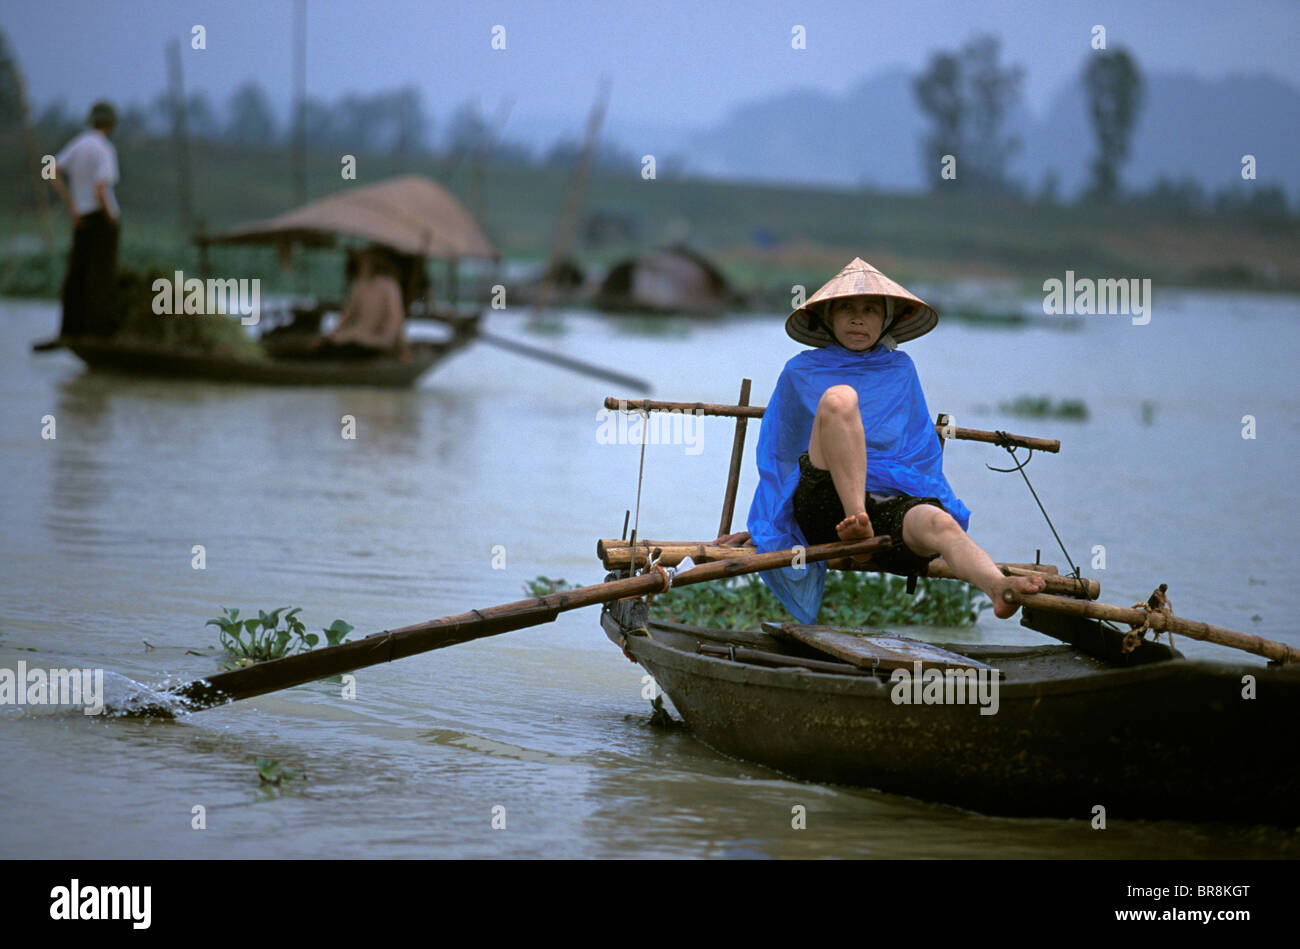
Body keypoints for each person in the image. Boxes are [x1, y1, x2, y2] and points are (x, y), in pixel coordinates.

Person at [747, 257, 1045, 624]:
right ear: (827, 318)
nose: (859, 319)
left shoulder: (900, 369)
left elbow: (916, 449)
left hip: (888, 502)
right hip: (822, 503)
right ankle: (857, 522)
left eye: (870, 309)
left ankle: (998, 588)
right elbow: (780, 454)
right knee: (840, 398)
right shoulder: (800, 371)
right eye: (847, 309)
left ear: (887, 319)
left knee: (939, 524)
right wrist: (766, 524)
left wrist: (923, 503)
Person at [47, 101, 121, 340]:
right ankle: (98, 330)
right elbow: (101, 187)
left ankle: (70, 327)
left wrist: (72, 207)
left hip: (82, 217)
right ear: (110, 124)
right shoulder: (104, 148)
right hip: (100, 218)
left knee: (78, 270)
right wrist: (111, 218)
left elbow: (51, 170)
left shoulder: (78, 144)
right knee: (101, 274)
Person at [314, 249, 410, 359]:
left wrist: (402, 348)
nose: (362, 266)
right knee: (328, 346)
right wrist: (330, 336)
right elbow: (347, 315)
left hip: (377, 341)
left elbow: (396, 318)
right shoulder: (360, 285)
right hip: (358, 336)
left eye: (365, 263)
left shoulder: (389, 286)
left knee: (345, 347)